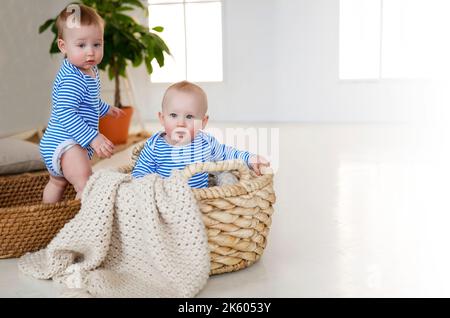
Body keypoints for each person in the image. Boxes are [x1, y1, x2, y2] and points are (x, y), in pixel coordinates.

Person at [40, 4, 124, 203]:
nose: (91, 53)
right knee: (86, 183)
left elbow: (87, 102)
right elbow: (66, 112)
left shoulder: (89, 71)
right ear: (63, 46)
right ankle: (81, 226)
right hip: (65, 143)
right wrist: (94, 138)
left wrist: (106, 108)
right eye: (81, 45)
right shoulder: (72, 79)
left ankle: (45, 215)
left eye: (97, 44)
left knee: (57, 183)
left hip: (61, 142)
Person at [132, 81, 270, 188]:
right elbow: (139, 176)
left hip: (200, 202)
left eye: (190, 116)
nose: (181, 123)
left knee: (227, 179)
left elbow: (227, 154)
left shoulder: (205, 142)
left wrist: (250, 158)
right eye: (173, 115)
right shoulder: (154, 146)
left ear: (203, 122)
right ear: (162, 118)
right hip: (166, 199)